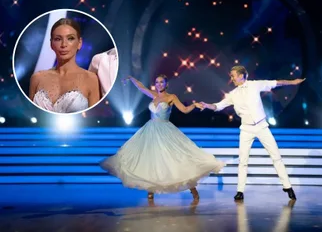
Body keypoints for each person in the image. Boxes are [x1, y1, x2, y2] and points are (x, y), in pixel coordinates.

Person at [100, 74, 225, 200]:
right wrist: (132, 79)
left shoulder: (171, 97)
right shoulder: (154, 95)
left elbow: (184, 110)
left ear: (166, 84)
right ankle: (150, 190)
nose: (159, 84)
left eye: (161, 82)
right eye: (157, 82)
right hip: (150, 130)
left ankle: (193, 189)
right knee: (151, 160)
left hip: (165, 130)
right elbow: (141, 88)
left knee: (175, 159)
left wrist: (194, 105)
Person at [199, 65, 305, 201]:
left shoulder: (255, 85)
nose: (231, 78)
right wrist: (207, 105)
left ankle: (287, 186)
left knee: (276, 156)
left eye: (233, 75)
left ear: (241, 75)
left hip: (261, 126)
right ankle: (240, 191)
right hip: (246, 129)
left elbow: (275, 83)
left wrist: (292, 82)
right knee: (243, 161)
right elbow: (219, 106)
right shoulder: (234, 94)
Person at [29, 18, 100, 113]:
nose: (63, 44)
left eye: (70, 38)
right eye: (58, 39)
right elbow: (31, 115)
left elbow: (92, 120)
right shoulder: (37, 78)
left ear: (79, 43)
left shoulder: (91, 79)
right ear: (51, 43)